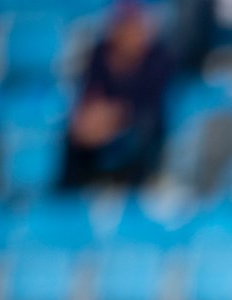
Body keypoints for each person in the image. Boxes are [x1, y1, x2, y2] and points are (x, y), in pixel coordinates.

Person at [58, 0, 173, 190]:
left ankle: (134, 189)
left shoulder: (159, 59)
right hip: (98, 124)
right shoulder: (99, 54)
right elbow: (89, 95)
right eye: (124, 24)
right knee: (73, 132)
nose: (129, 32)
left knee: (140, 133)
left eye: (134, 25)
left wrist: (114, 117)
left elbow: (149, 105)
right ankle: (70, 194)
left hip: (136, 127)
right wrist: (90, 119)